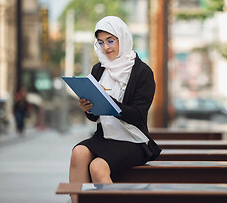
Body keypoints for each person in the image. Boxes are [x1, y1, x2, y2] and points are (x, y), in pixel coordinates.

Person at [69, 16, 161, 202]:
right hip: (105, 138)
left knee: (97, 167)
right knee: (78, 153)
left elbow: (138, 115)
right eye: (101, 42)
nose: (106, 47)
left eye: (110, 41)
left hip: (133, 140)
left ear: (123, 38)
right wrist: (88, 108)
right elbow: (95, 119)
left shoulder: (142, 72)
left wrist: (109, 103)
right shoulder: (99, 69)